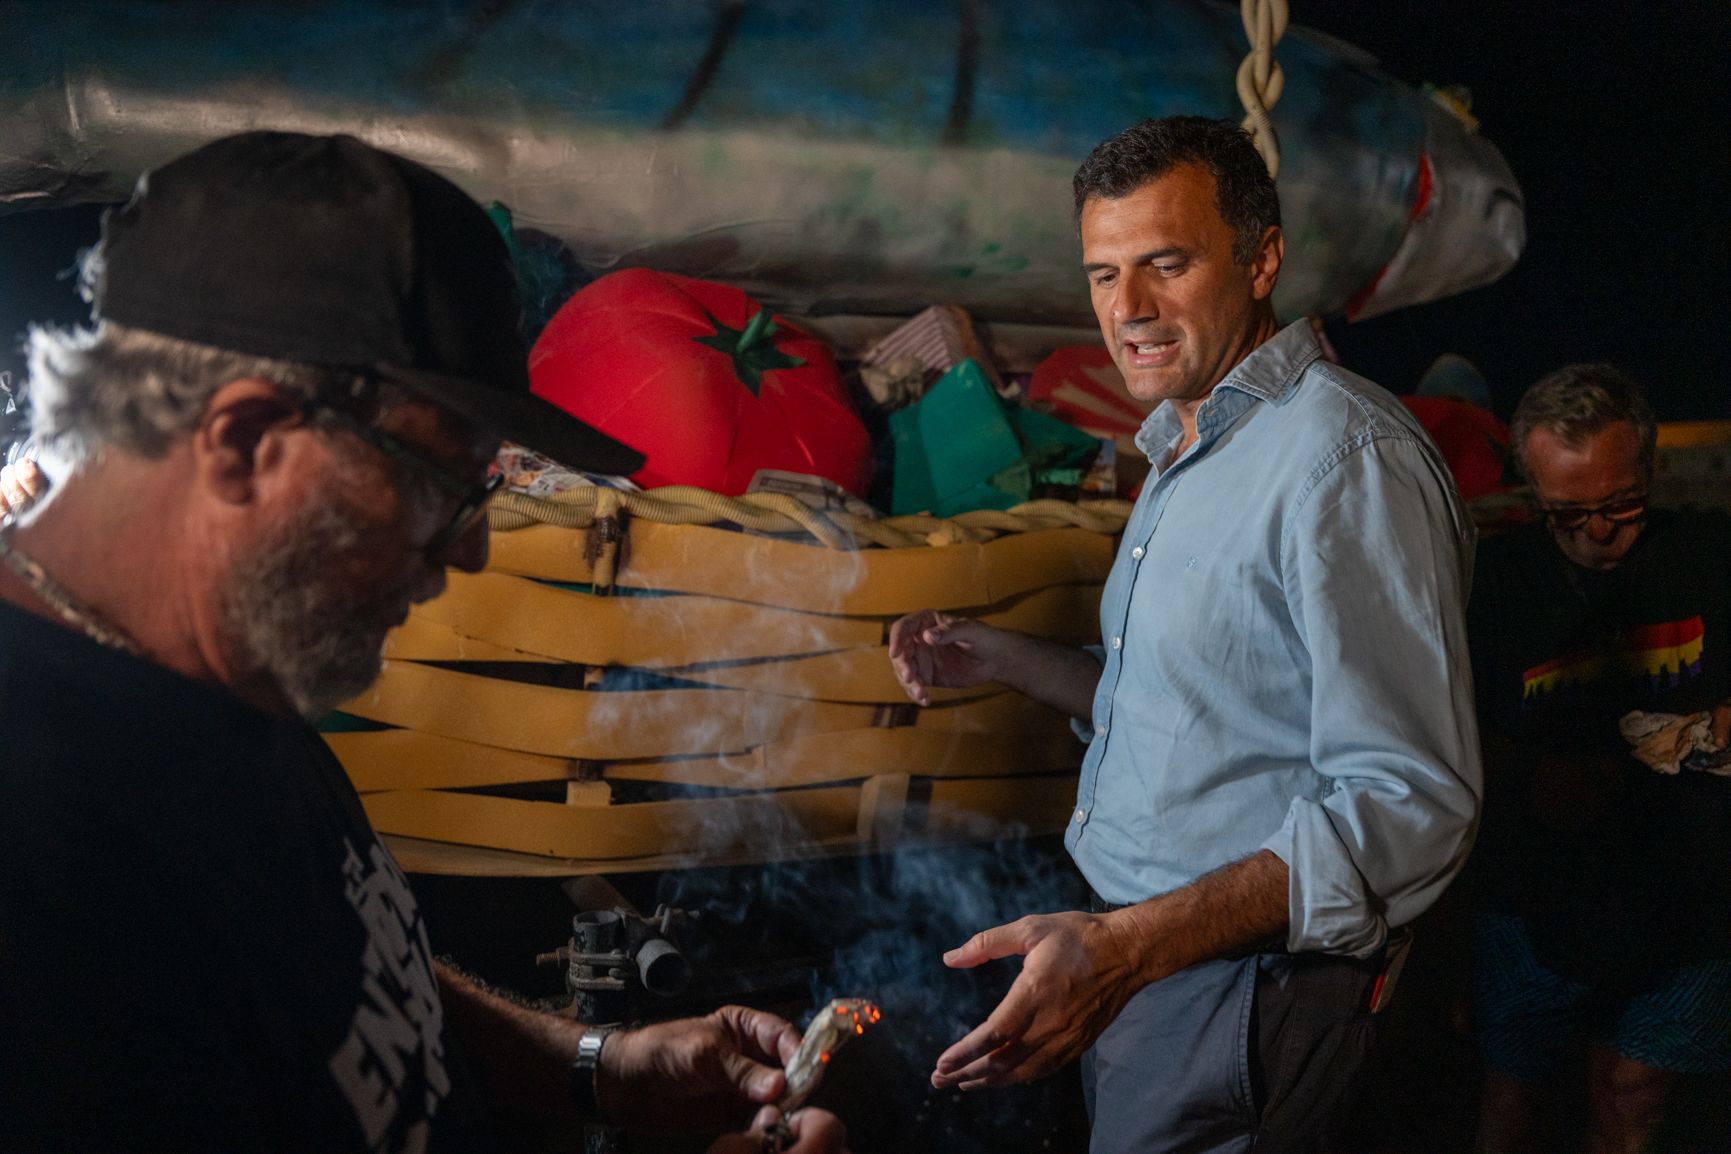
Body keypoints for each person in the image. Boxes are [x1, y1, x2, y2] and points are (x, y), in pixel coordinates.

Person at [0, 131, 845, 1154]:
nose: (476, 543)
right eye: (439, 481)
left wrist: (598, 1067)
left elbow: (343, 979)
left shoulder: (222, 658)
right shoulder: (41, 861)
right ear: (245, 441)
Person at [887, 116, 1481, 1153]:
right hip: (1146, 966)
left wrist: (1129, 946)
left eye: (1167, 263)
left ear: (1263, 258)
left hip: (1245, 987)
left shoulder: (1343, 456)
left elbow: (1411, 802)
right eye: (1105, 273)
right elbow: (1191, 705)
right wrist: (994, 652)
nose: (1129, 310)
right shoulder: (1188, 445)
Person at [1466, 364, 1731, 1153]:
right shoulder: (1495, 581)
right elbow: (1447, 729)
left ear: (1648, 467)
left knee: (1634, 1092)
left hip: (1689, 902)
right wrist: (1525, 777)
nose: (1596, 533)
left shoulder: (1709, 556)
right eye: (1566, 514)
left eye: (1619, 504)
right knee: (1513, 1099)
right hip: (1530, 902)